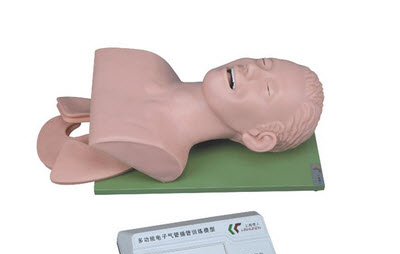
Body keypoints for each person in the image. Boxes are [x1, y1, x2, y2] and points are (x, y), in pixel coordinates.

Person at [38, 48, 324, 184]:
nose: (253, 69)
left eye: (267, 89)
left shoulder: (165, 152)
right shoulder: (148, 63)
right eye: (264, 62)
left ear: (258, 137)